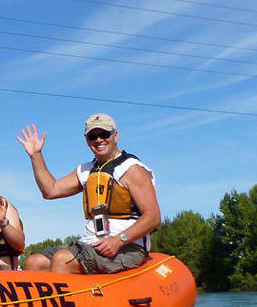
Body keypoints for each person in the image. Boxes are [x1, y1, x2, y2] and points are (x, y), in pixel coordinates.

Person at [17, 113, 161, 274]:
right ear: (87, 140)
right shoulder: (85, 171)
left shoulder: (132, 169)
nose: (99, 140)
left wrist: (119, 240)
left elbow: (153, 218)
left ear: (115, 135)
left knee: (63, 259)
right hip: (90, 244)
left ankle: (71, 298)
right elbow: (50, 191)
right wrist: (36, 155)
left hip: (128, 247)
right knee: (34, 262)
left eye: (104, 134)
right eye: (93, 136)